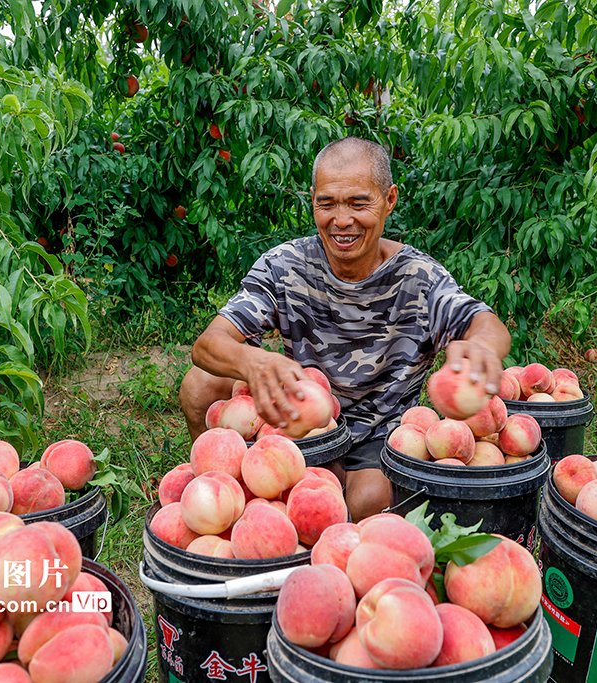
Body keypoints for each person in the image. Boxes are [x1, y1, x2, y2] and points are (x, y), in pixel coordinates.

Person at [179, 136, 510, 521]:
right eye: (327, 203)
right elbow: (208, 345)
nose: (341, 220)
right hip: (302, 420)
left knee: (366, 503)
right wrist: (250, 360)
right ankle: (216, 491)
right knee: (202, 382)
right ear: (313, 200)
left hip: (377, 434)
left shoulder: (418, 278)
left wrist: (482, 347)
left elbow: (484, 323)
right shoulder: (284, 266)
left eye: (358, 203)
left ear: (389, 200)